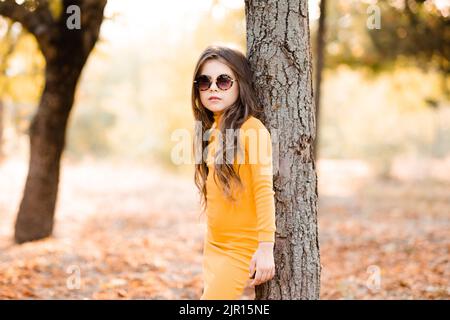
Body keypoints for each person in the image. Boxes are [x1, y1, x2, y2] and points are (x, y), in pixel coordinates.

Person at [191, 45, 277, 300]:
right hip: (214, 244)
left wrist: (265, 248)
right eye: (204, 81)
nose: (213, 87)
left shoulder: (253, 129)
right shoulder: (211, 131)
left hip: (240, 246)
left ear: (240, 85)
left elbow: (264, 190)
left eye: (224, 80)